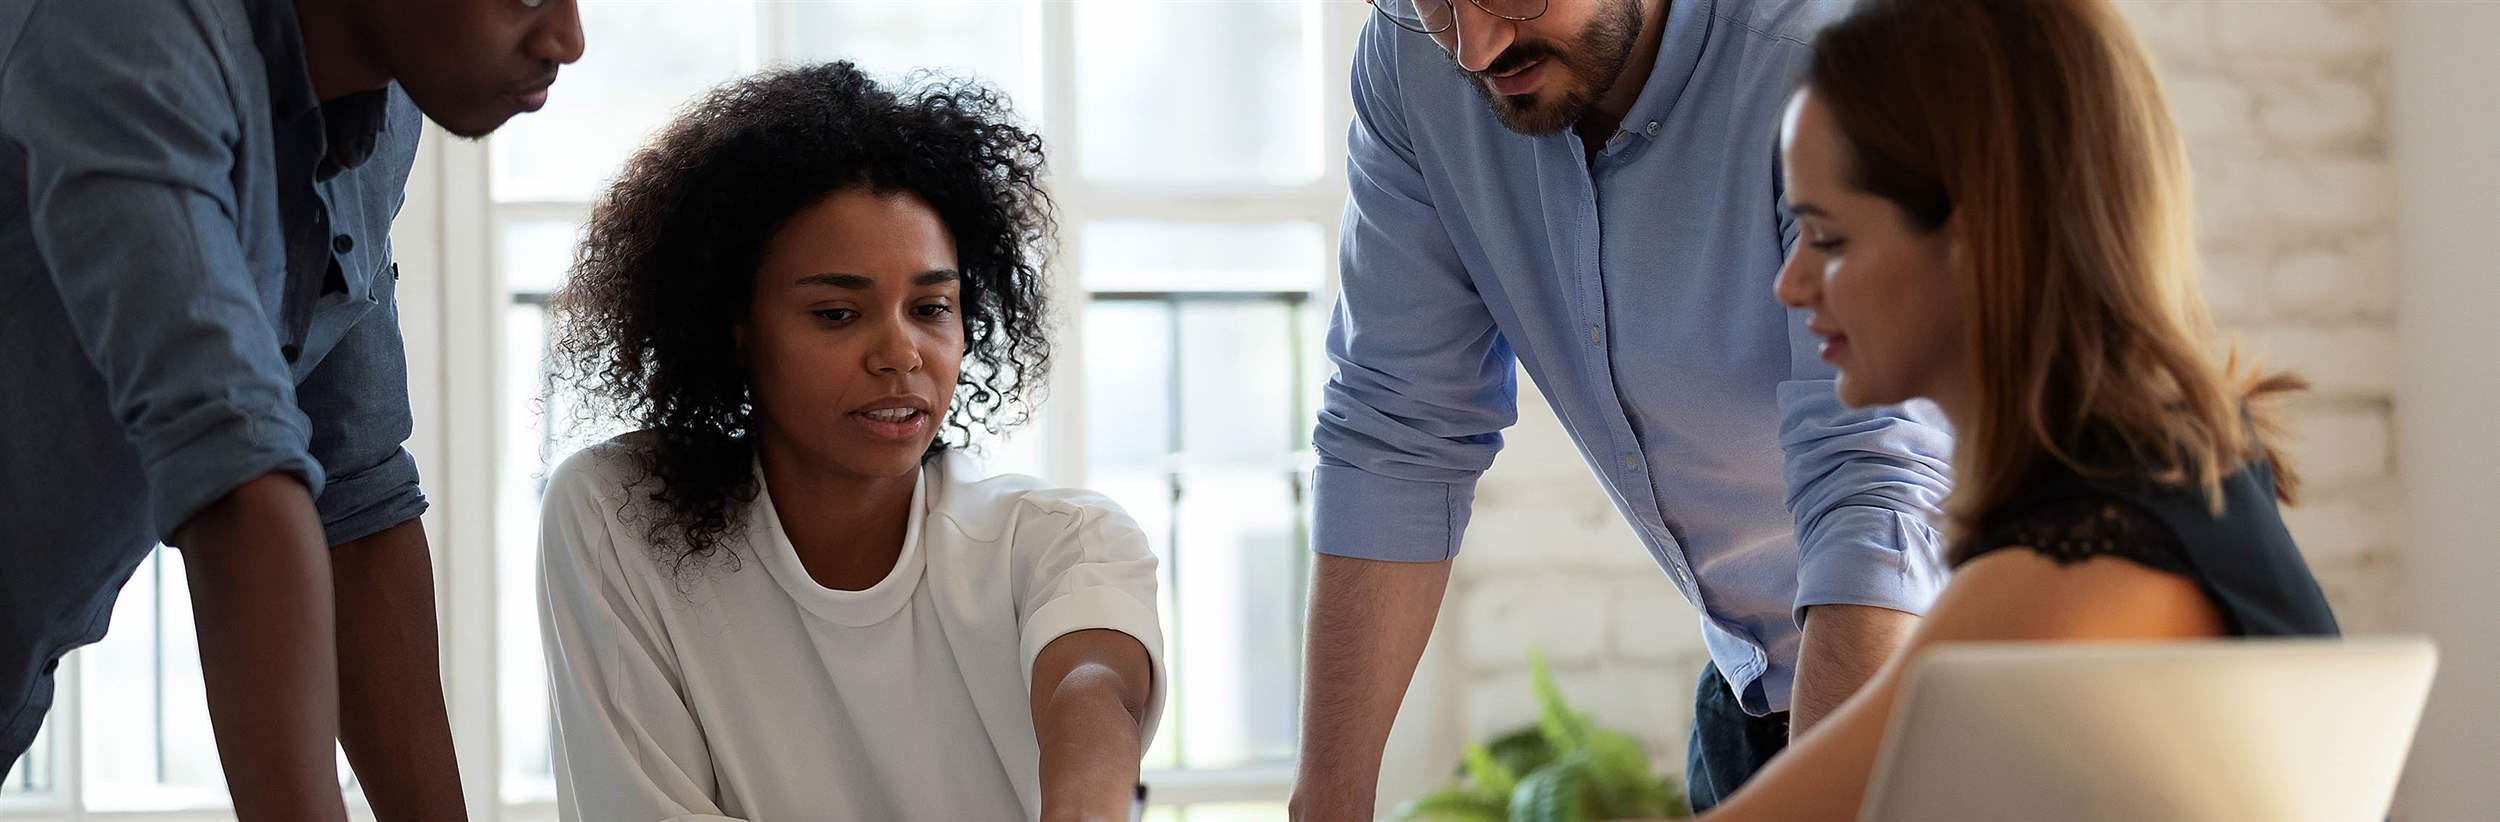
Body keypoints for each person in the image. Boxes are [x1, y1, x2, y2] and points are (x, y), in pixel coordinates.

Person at [1660, 1, 2342, 818]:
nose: (1789, 285)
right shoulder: (2182, 476)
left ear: (1981, 237)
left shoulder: (2082, 557)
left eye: (1830, 240)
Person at [1293, 0, 1955, 815]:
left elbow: (1878, 489)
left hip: (1942, 707)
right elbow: (1394, 430)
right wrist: (1325, 804)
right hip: (1750, 690)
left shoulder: (1829, 60)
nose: (1472, 47)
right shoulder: (1411, 60)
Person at [535, 62, 1164, 822]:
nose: (901, 354)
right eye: (836, 313)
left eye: (932, 307)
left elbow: (1093, 685)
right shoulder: (620, 515)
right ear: (734, 325)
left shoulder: (1062, 538)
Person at [0, 0, 584, 817]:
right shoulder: (123, 25)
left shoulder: (383, 106)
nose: (569, 40)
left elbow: (354, 490)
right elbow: (233, 479)